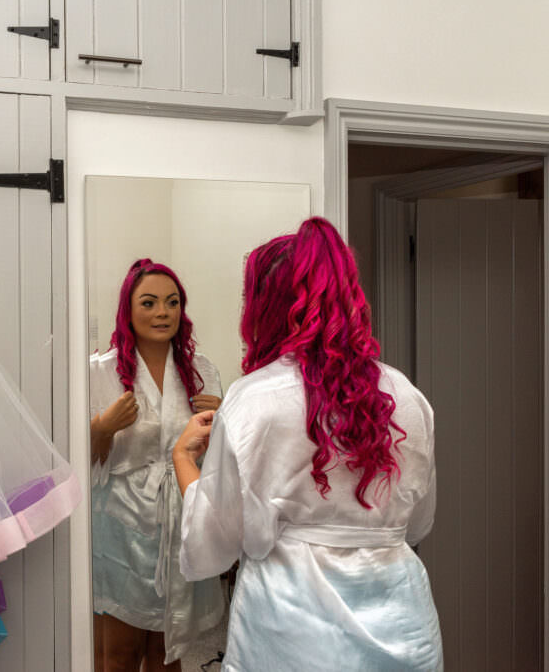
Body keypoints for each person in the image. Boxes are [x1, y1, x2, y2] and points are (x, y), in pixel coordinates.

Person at [173, 217, 442, 671]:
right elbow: (418, 525)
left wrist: (183, 458)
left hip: (291, 630)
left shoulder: (254, 400)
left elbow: (212, 543)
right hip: (403, 625)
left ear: (268, 306)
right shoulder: (407, 397)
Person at [89, 258, 226, 672]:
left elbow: (219, 458)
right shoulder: (101, 372)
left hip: (178, 518)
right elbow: (80, 460)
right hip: (119, 522)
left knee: (170, 651)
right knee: (120, 653)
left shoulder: (201, 371)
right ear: (127, 310)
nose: (162, 313)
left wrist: (223, 421)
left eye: (172, 302)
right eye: (148, 303)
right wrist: (101, 427)